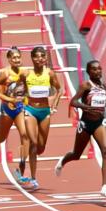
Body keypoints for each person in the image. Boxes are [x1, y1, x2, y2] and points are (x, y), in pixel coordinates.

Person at [55, 59, 106, 196]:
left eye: (99, 68)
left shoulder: (103, 86)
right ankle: (64, 160)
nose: (97, 71)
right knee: (77, 154)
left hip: (100, 122)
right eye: (94, 69)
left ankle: (104, 186)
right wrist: (87, 107)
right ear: (88, 72)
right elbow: (73, 101)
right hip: (86, 124)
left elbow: (104, 101)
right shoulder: (85, 86)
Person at [20, 46, 61, 191]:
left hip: (45, 111)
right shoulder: (26, 75)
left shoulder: (49, 74)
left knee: (41, 147)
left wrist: (54, 104)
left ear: (45, 58)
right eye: (36, 56)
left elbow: (59, 89)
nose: (40, 59)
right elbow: (21, 90)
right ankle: (33, 177)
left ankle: (29, 159)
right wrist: (18, 100)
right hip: (30, 110)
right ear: (32, 58)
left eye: (42, 56)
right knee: (33, 142)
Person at [0, 48, 30, 182]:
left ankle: (21, 170)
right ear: (9, 59)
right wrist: (8, 99)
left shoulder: (25, 72)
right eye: (14, 58)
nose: (17, 60)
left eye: (18, 57)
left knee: (25, 135)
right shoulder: (5, 73)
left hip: (19, 108)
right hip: (7, 109)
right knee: (1, 138)